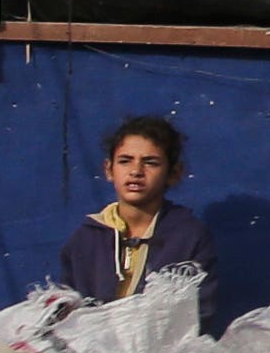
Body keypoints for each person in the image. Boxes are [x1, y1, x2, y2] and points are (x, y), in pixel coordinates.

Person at [55, 113, 216, 303]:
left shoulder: (188, 237)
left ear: (174, 173)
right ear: (108, 170)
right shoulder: (85, 240)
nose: (136, 171)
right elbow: (68, 307)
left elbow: (198, 311)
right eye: (125, 161)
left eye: (150, 162)